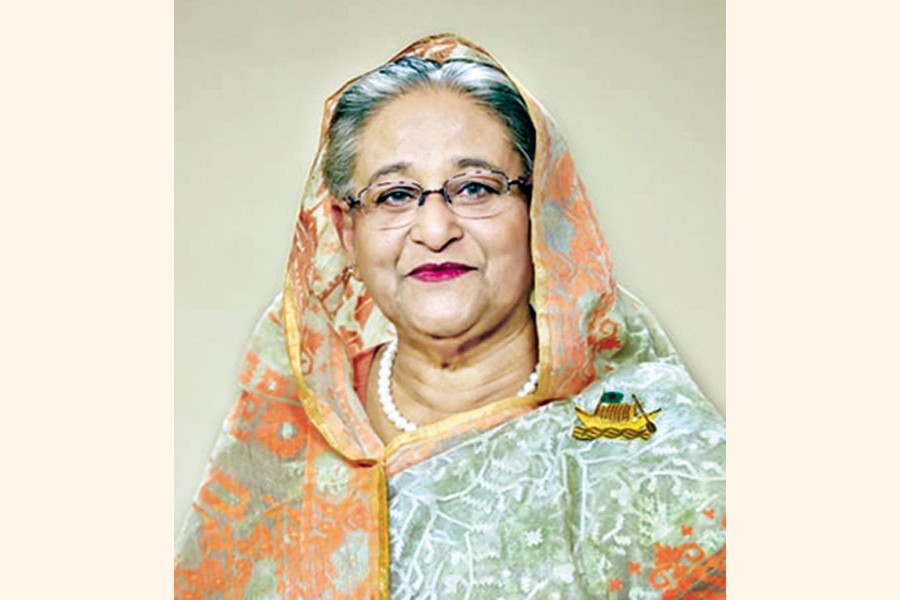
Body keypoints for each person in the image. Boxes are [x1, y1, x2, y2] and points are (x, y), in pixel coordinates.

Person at [175, 34, 725, 598]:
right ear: (346, 231)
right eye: (394, 195)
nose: (436, 230)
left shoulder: (641, 441)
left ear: (540, 211)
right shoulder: (289, 431)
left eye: (476, 188)